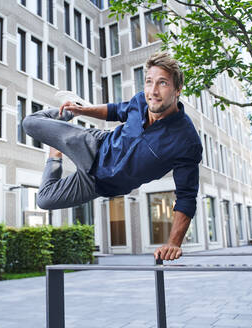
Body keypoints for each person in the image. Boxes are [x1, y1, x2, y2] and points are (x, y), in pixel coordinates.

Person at [22, 52, 202, 261]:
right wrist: (81, 110)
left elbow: (187, 197)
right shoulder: (140, 102)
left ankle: (55, 153)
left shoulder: (186, 141)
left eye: (162, 83)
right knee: (30, 123)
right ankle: (70, 111)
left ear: (177, 89)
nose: (153, 91)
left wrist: (173, 243)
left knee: (44, 200)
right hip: (95, 147)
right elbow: (116, 111)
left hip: (100, 183)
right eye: (149, 82)